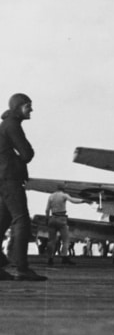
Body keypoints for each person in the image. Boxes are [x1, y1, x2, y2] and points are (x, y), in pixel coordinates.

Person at [0, 92, 44, 281]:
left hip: (4, 178)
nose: (31, 109)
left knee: (3, 222)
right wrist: (19, 163)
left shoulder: (6, 124)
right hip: (10, 178)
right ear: (18, 107)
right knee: (22, 221)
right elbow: (27, 153)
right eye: (28, 106)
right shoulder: (12, 125)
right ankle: (22, 269)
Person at [44, 186, 78, 266]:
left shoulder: (51, 196)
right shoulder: (63, 195)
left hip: (52, 218)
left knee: (51, 240)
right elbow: (73, 200)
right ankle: (64, 257)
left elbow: (47, 210)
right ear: (63, 190)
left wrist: (47, 219)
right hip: (61, 219)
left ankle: (50, 258)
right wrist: (83, 201)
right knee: (65, 240)